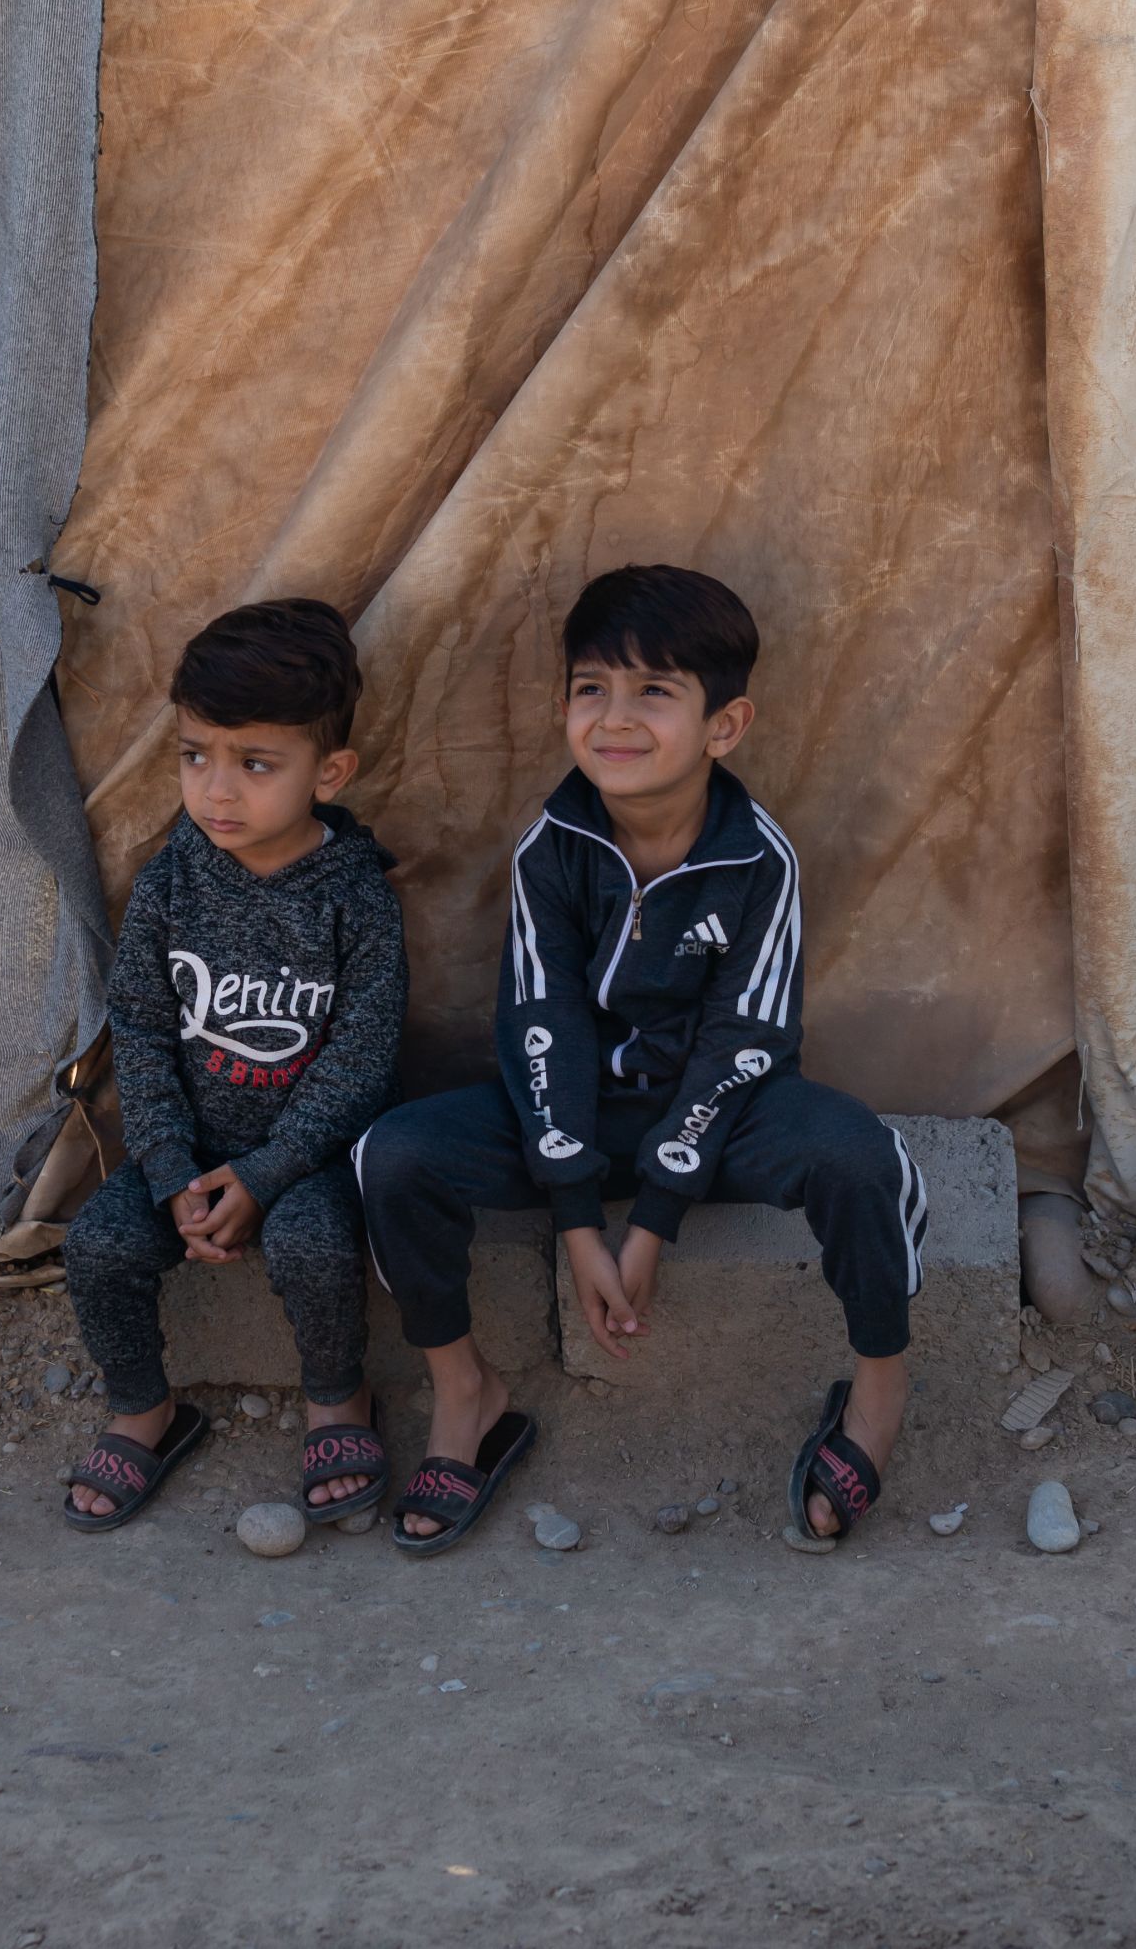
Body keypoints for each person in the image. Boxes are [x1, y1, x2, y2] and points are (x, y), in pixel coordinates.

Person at [355, 564, 922, 1553]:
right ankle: (466, 1392)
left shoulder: (757, 859)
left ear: (724, 726)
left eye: (653, 692)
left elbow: (744, 1040)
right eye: (590, 688)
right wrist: (579, 1216)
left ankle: (879, 1387)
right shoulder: (554, 845)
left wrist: (651, 1218)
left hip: (722, 1115)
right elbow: (541, 1022)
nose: (613, 719)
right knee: (393, 1156)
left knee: (857, 1154)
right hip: (570, 1114)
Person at [59, 598, 404, 1532]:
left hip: (307, 1165)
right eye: (196, 754)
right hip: (185, 1156)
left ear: (329, 772)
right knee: (97, 1246)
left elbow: (362, 1061)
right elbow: (139, 1024)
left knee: (314, 1244)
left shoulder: (356, 899)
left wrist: (264, 1174)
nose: (218, 790)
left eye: (256, 764)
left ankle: (338, 1400)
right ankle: (146, 1409)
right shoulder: (172, 880)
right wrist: (173, 1174)